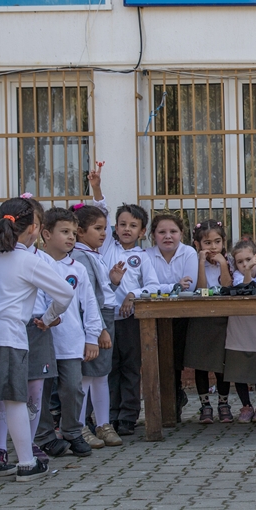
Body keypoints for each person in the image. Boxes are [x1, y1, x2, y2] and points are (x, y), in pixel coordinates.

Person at [0, 197, 75, 482]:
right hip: (10, 338)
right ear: (34, 229)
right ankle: (27, 462)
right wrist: (50, 317)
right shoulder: (27, 260)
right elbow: (65, 293)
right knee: (15, 399)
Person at [89, 167, 167, 436]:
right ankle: (108, 415)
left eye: (133, 225)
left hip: (132, 321)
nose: (126, 229)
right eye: (122, 224)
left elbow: (154, 286)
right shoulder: (107, 246)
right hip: (107, 320)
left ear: (142, 231)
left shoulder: (143, 257)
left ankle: (129, 416)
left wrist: (134, 296)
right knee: (109, 368)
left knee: (132, 369)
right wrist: (97, 187)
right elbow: (102, 210)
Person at [33, 208, 105, 457]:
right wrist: (44, 318)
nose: (71, 237)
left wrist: (91, 337)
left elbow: (90, 305)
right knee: (40, 392)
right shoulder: (35, 265)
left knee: (73, 388)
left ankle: (73, 432)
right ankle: (43, 436)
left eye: (74, 233)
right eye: (64, 232)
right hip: (41, 340)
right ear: (45, 234)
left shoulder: (78, 269)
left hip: (70, 341)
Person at [72, 204, 121, 448]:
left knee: (101, 374)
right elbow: (88, 298)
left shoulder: (94, 254)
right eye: (97, 228)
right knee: (86, 376)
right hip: (94, 321)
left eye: (104, 228)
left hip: (105, 316)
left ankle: (103, 423)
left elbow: (101, 293)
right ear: (80, 231)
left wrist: (112, 283)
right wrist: (99, 329)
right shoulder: (81, 256)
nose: (103, 233)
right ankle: (79, 426)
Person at [146, 211, 199, 414]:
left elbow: (189, 287)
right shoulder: (147, 256)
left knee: (175, 357)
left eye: (173, 231)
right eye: (162, 232)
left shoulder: (188, 253)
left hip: (181, 314)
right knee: (157, 358)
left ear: (181, 234)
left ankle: (176, 396)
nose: (168, 236)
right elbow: (146, 286)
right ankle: (162, 400)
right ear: (153, 235)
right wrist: (173, 285)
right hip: (155, 315)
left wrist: (162, 287)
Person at [184, 220, 234, 424]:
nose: (213, 247)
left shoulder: (229, 261)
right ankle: (205, 405)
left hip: (222, 318)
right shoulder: (194, 262)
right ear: (197, 244)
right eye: (207, 243)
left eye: (217, 242)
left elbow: (227, 285)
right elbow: (201, 289)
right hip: (201, 318)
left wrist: (222, 263)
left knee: (222, 363)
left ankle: (224, 403)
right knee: (201, 363)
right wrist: (202, 263)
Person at [223, 238, 256, 423]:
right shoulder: (236, 276)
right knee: (239, 369)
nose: (245, 264)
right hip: (238, 330)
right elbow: (243, 288)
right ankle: (245, 405)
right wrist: (246, 272)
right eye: (240, 261)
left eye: (249, 259)